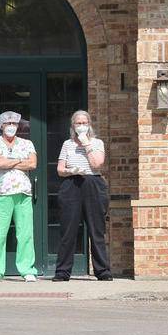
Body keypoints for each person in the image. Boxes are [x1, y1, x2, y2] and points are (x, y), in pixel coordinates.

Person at [52, 110, 112, 281]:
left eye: (84, 123)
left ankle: (102, 271)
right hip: (71, 185)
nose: (81, 126)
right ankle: (62, 272)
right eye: (78, 123)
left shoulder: (97, 142)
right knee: (68, 231)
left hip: (93, 184)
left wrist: (86, 143)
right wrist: (70, 171)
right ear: (73, 126)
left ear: (89, 124)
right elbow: (60, 169)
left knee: (97, 230)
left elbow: (97, 163)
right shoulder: (67, 144)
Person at [0, 111, 38, 282]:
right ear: (1, 126)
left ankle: (27, 269)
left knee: (25, 234)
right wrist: (18, 160)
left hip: (23, 193)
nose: (11, 127)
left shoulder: (27, 143)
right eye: (7, 124)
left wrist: (9, 160)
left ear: (18, 126)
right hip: (0, 193)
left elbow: (32, 163)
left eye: (14, 124)